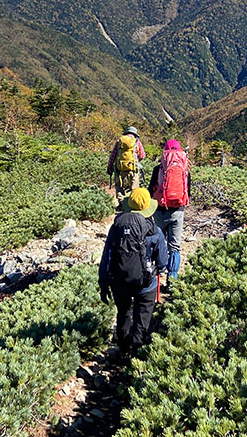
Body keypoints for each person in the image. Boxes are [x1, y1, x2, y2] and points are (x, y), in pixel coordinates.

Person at [98, 187, 168, 355]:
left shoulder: (116, 228)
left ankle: (122, 351)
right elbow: (163, 262)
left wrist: (103, 282)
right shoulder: (154, 231)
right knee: (142, 320)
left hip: (119, 282)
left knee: (123, 315)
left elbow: (107, 255)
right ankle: (136, 356)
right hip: (146, 285)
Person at [149, 139, 191, 281]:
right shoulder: (185, 170)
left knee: (157, 243)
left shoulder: (158, 169)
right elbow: (187, 192)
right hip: (177, 211)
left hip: (160, 211)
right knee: (175, 246)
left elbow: (150, 191)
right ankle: (172, 279)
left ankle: (155, 276)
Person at [107, 126, 146, 208]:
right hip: (133, 168)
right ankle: (132, 205)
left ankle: (121, 204)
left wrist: (110, 167)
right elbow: (142, 155)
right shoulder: (137, 142)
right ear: (135, 134)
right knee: (134, 187)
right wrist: (136, 161)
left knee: (119, 186)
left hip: (120, 168)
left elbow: (113, 156)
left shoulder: (119, 141)